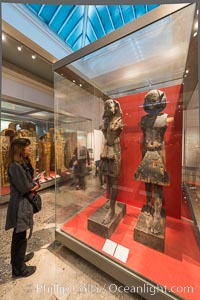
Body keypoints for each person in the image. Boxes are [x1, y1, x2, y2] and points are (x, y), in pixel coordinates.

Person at [134, 89, 173, 234]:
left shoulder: (165, 118)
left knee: (157, 184)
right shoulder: (144, 120)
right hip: (146, 152)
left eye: (153, 101)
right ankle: (148, 205)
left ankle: (157, 212)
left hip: (158, 152)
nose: (151, 104)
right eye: (149, 101)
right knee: (146, 181)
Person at [5, 138, 40, 278]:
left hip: (24, 204)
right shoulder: (15, 166)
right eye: (27, 146)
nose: (30, 148)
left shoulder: (22, 163)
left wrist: (33, 182)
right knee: (19, 236)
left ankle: (19, 259)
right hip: (20, 205)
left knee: (20, 234)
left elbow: (27, 181)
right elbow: (25, 187)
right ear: (20, 149)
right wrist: (35, 186)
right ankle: (19, 269)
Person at [100, 99, 125, 224]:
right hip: (107, 149)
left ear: (115, 108)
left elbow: (115, 131)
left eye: (109, 107)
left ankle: (112, 208)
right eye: (106, 107)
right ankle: (110, 202)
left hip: (115, 150)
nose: (107, 110)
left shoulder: (118, 122)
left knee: (114, 180)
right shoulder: (106, 122)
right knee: (108, 179)